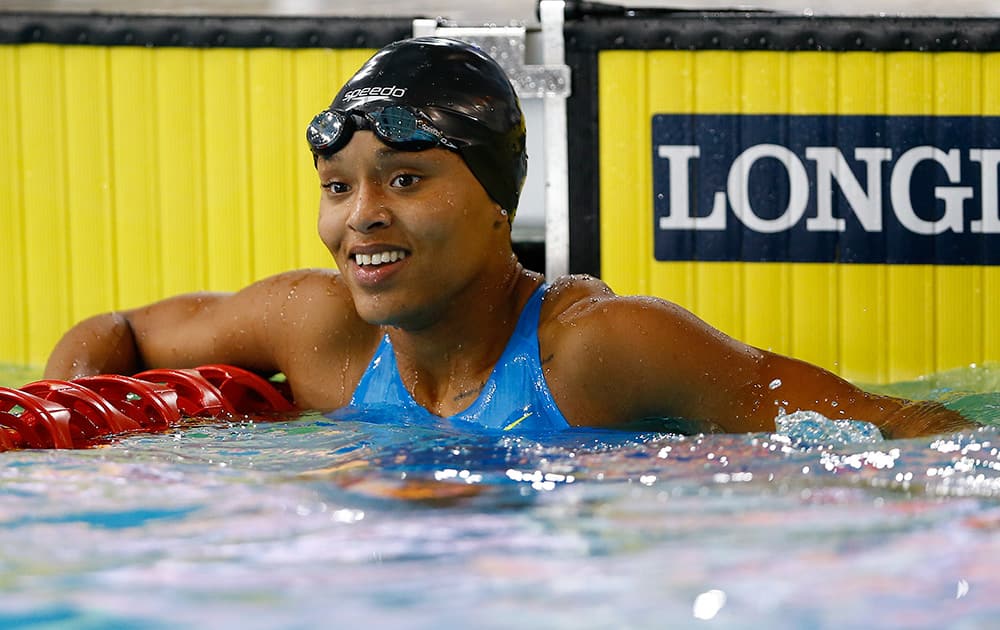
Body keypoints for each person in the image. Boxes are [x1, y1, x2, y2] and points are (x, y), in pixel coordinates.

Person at [45, 36, 972, 439]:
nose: (360, 215)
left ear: (498, 203)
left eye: (405, 180)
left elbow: (904, 427)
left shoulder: (597, 351)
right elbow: (112, 333)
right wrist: (64, 434)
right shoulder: (319, 330)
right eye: (337, 188)